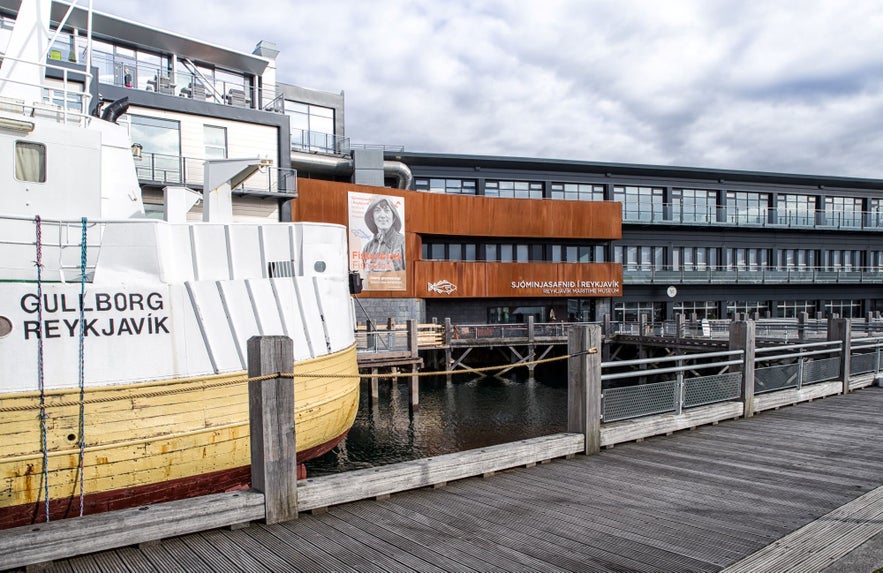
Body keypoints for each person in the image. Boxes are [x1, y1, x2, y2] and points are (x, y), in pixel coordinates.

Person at [361, 196, 405, 272]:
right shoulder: (368, 247)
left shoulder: (403, 242)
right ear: (372, 217)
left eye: (387, 210)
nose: (382, 215)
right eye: (377, 211)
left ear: (394, 217)